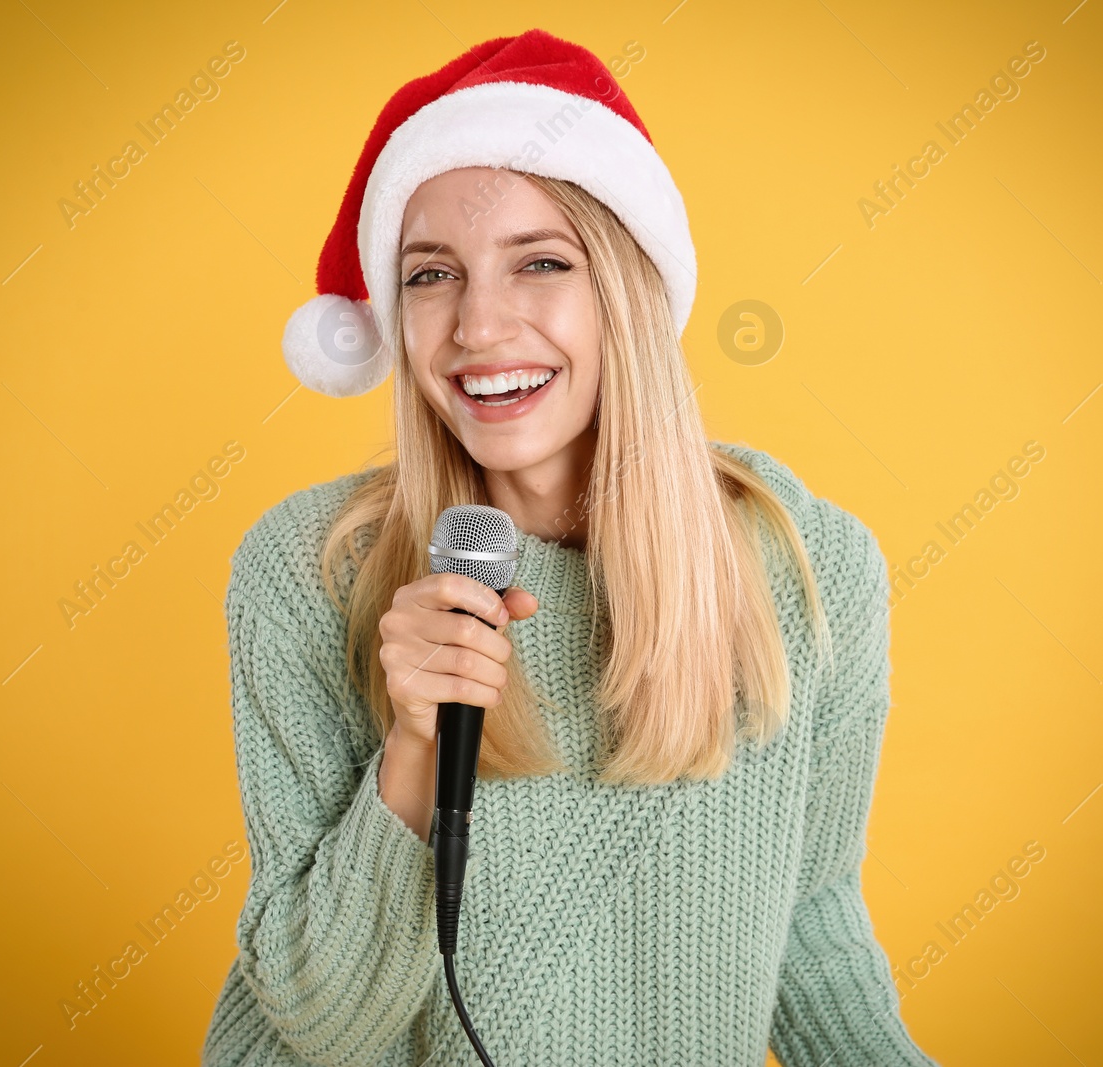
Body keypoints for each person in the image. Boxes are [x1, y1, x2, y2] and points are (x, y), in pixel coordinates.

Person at [201, 27, 939, 1067]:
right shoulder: (311, 569)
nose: (479, 326)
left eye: (540, 262)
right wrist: (413, 742)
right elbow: (320, 1024)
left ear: (626, 291)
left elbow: (810, 920)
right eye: (430, 275)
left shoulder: (807, 564)